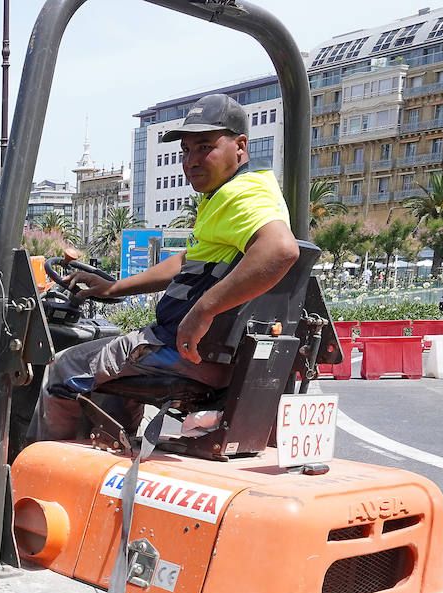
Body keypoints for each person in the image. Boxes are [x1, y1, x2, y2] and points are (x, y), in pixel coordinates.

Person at [29, 93, 299, 442]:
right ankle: (114, 453)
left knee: (61, 368)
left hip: (181, 350)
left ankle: (46, 470)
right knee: (108, 363)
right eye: (186, 151)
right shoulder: (235, 193)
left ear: (240, 146)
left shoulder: (240, 195)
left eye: (204, 147)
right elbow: (185, 261)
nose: (191, 161)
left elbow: (280, 249)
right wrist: (113, 287)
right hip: (213, 354)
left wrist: (202, 311)